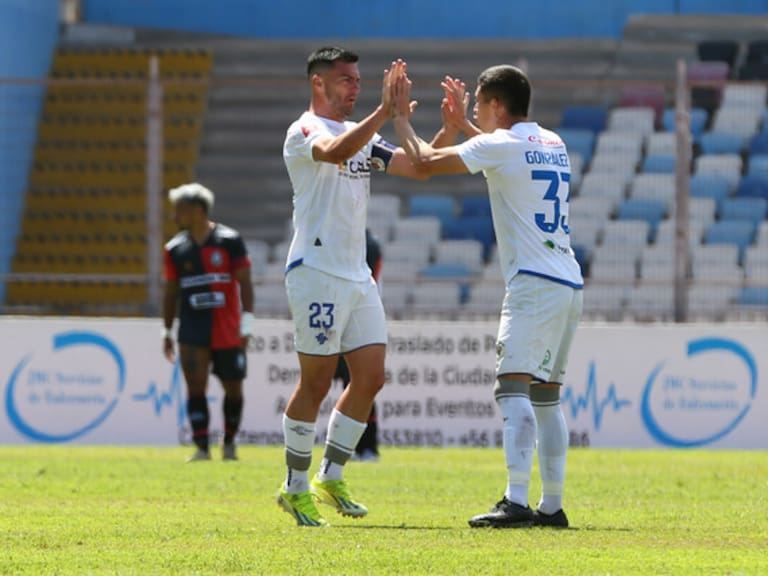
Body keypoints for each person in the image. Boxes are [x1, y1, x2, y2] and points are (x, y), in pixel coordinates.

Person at [390, 64, 583, 528]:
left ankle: (516, 501)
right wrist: (462, 127)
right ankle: (552, 506)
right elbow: (506, 159)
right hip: (568, 282)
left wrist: (398, 117)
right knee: (547, 397)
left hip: (533, 283)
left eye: (477, 103)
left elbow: (422, 161)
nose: (474, 109)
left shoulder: (500, 146)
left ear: (496, 105)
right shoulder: (552, 143)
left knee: (511, 388)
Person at [278, 47, 455, 527]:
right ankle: (293, 487)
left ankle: (330, 476)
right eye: (346, 80)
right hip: (316, 270)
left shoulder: (364, 136)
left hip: (356, 273)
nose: (355, 87)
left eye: (358, 79)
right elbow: (334, 153)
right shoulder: (304, 130)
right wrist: (383, 111)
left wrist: (444, 128)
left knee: (371, 377)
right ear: (318, 83)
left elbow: (420, 167)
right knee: (316, 382)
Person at [162, 183, 255, 462]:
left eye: (179, 210)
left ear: (197, 210)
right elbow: (170, 292)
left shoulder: (229, 241)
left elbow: (245, 283)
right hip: (192, 329)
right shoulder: (175, 249)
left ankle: (229, 444)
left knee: (233, 388)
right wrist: (167, 330)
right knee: (195, 387)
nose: (174, 217)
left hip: (228, 329)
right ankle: (202, 448)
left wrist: (247, 323)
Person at [334, 229, 383, 462]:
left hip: (353, 320)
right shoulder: (354, 240)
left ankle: (362, 447)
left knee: (359, 385)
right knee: (357, 386)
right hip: (345, 319)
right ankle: (359, 448)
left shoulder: (365, 243)